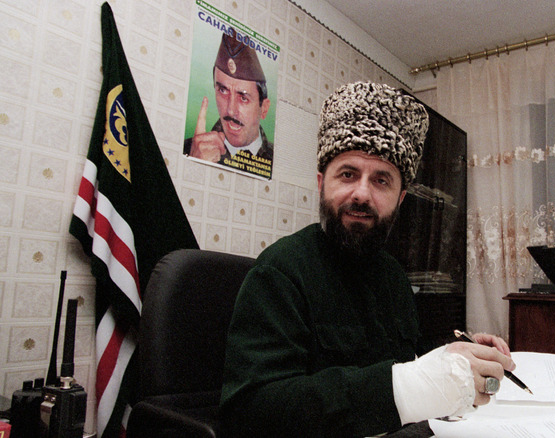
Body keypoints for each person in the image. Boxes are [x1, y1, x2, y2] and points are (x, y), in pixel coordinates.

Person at [220, 82, 515, 437]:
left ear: (400, 198)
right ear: (320, 183)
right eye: (347, 174)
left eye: (381, 180)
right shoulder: (280, 271)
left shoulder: (393, 276)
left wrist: (455, 356)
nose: (361, 193)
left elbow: (407, 359)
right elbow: (251, 411)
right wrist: (406, 388)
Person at [184, 31, 274, 167]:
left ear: (264, 109)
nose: (231, 111)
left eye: (243, 98)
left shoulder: (276, 164)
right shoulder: (190, 150)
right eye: (223, 90)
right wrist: (194, 164)